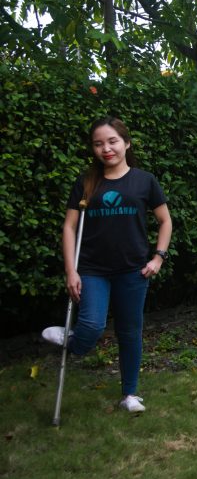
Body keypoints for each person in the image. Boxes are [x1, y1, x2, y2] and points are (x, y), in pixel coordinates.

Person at [42, 116, 172, 413]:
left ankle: (130, 395)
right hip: (92, 269)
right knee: (92, 324)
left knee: (129, 332)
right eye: (99, 143)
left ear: (126, 143)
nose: (106, 148)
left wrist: (158, 257)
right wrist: (71, 270)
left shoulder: (144, 180)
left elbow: (165, 221)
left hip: (133, 270)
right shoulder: (87, 182)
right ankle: (74, 340)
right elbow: (69, 228)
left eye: (113, 141)